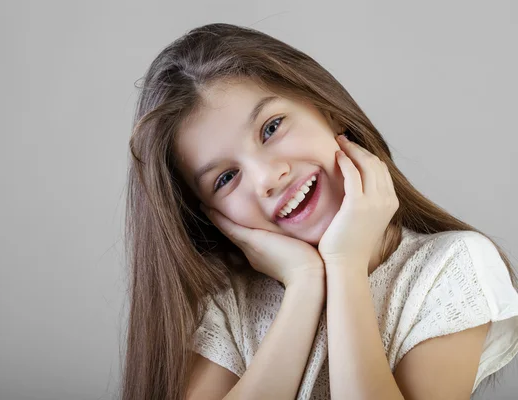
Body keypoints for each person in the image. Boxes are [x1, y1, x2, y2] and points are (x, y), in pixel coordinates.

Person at [119, 23, 518, 400]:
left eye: (271, 128)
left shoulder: (449, 268)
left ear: (326, 110)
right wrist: (305, 284)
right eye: (226, 178)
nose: (267, 178)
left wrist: (345, 265)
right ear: (210, 213)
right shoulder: (222, 304)